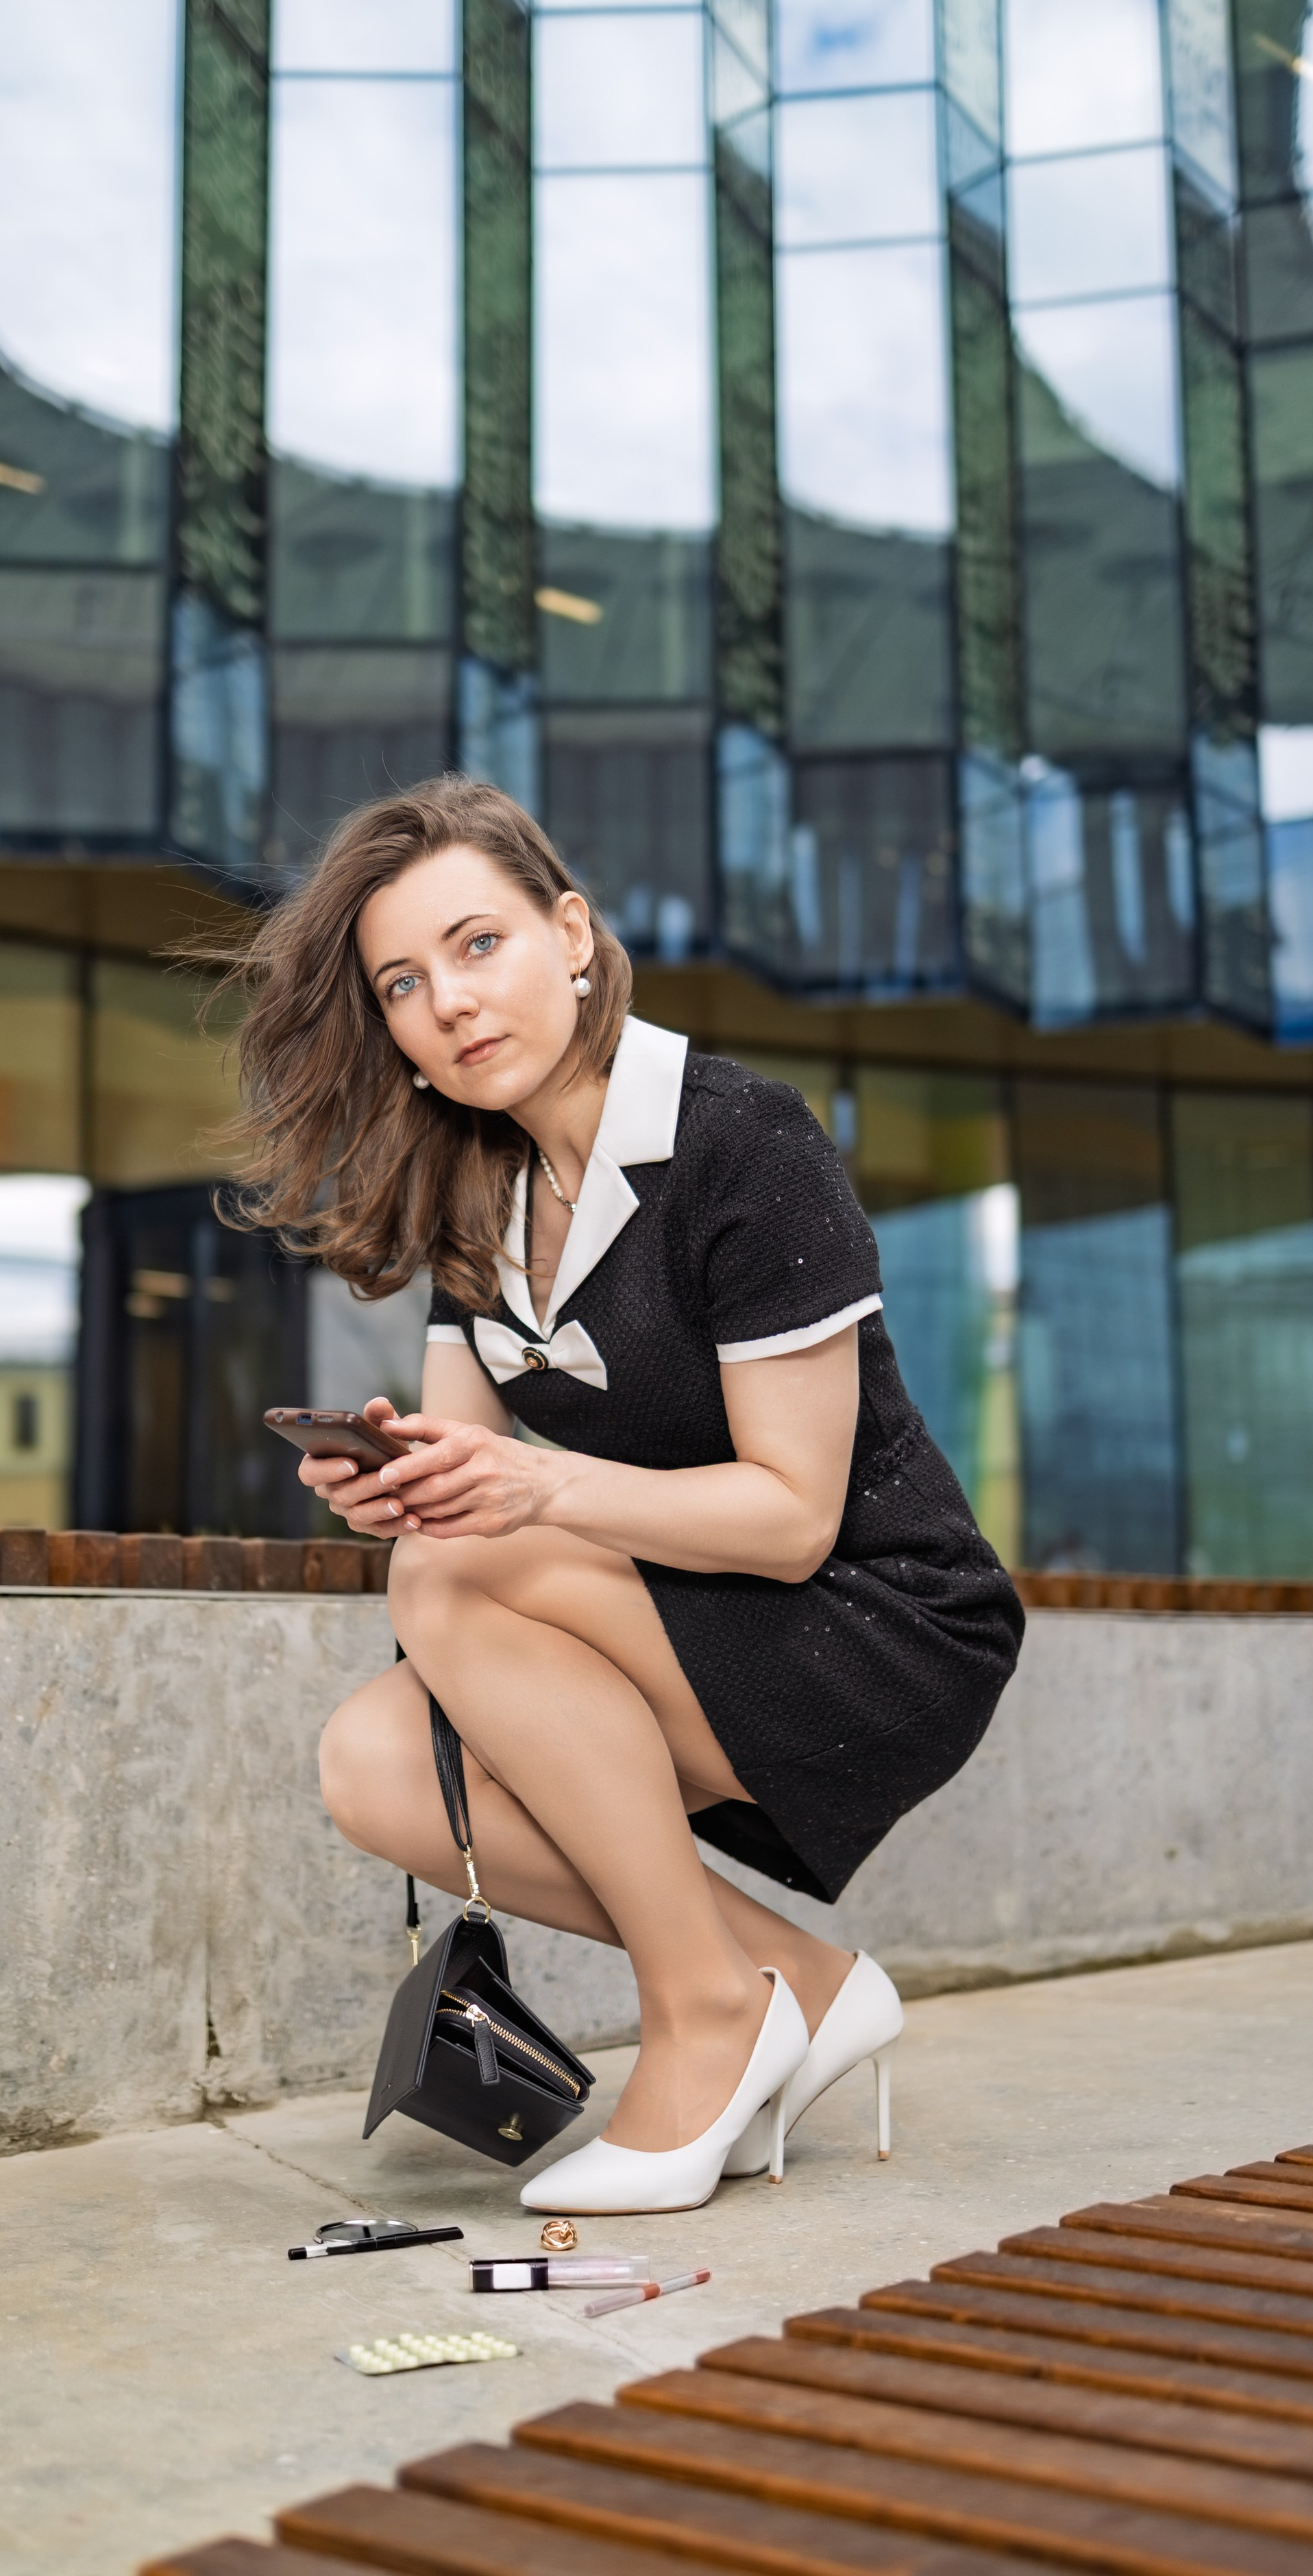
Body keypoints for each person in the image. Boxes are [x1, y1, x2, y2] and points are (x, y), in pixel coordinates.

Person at [231, 777, 1024, 2214]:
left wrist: (522, 1490)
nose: (447, 1003)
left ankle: (704, 2015)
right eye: (402, 984)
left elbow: (792, 1516)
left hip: (876, 1622)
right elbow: (466, 1472)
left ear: (573, 935)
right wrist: (397, 1483)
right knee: (375, 1760)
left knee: (458, 1570)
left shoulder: (741, 1143)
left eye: (478, 945)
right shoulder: (475, 1189)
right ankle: (793, 1982)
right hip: (688, 1617)